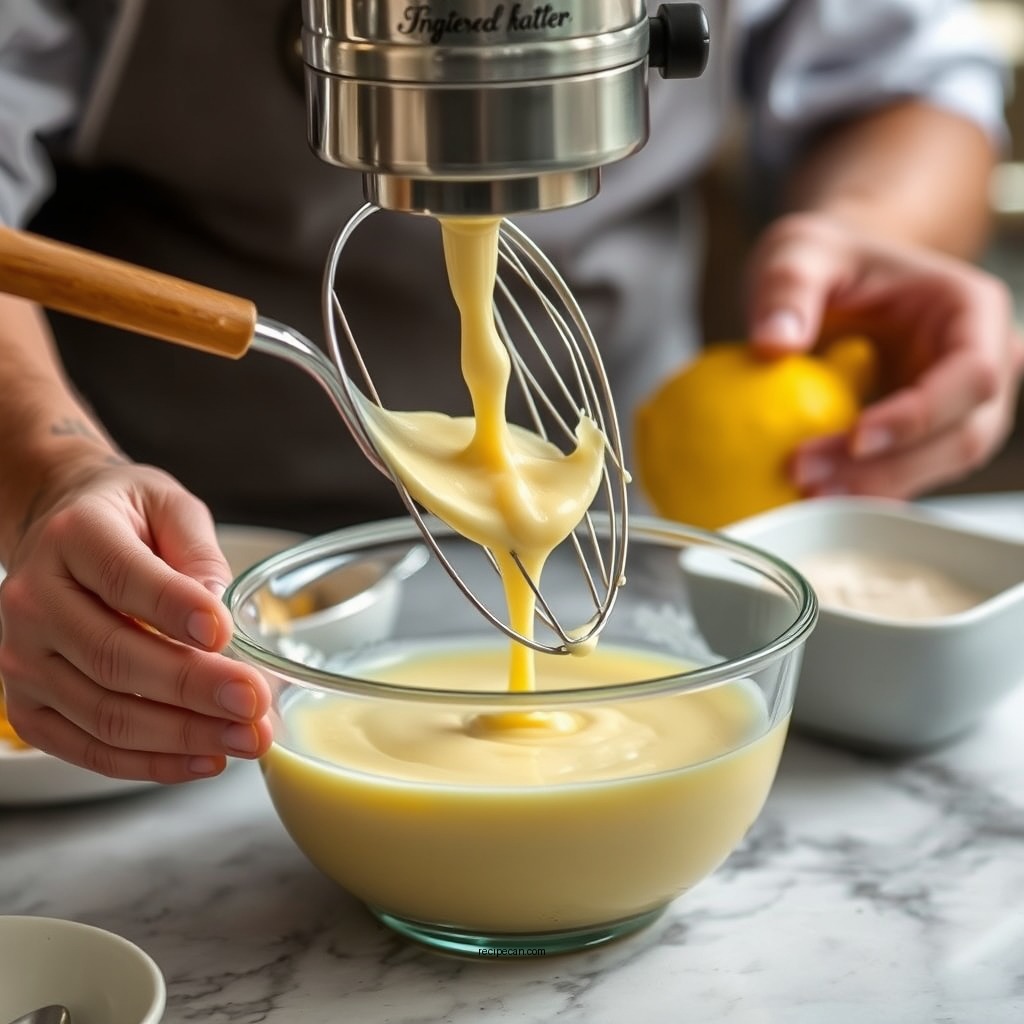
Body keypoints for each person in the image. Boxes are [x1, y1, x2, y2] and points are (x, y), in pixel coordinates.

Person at [0, 0, 1019, 782]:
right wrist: (50, 469)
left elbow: (902, 79)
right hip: (197, 580)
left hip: (630, 544)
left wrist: (872, 229)